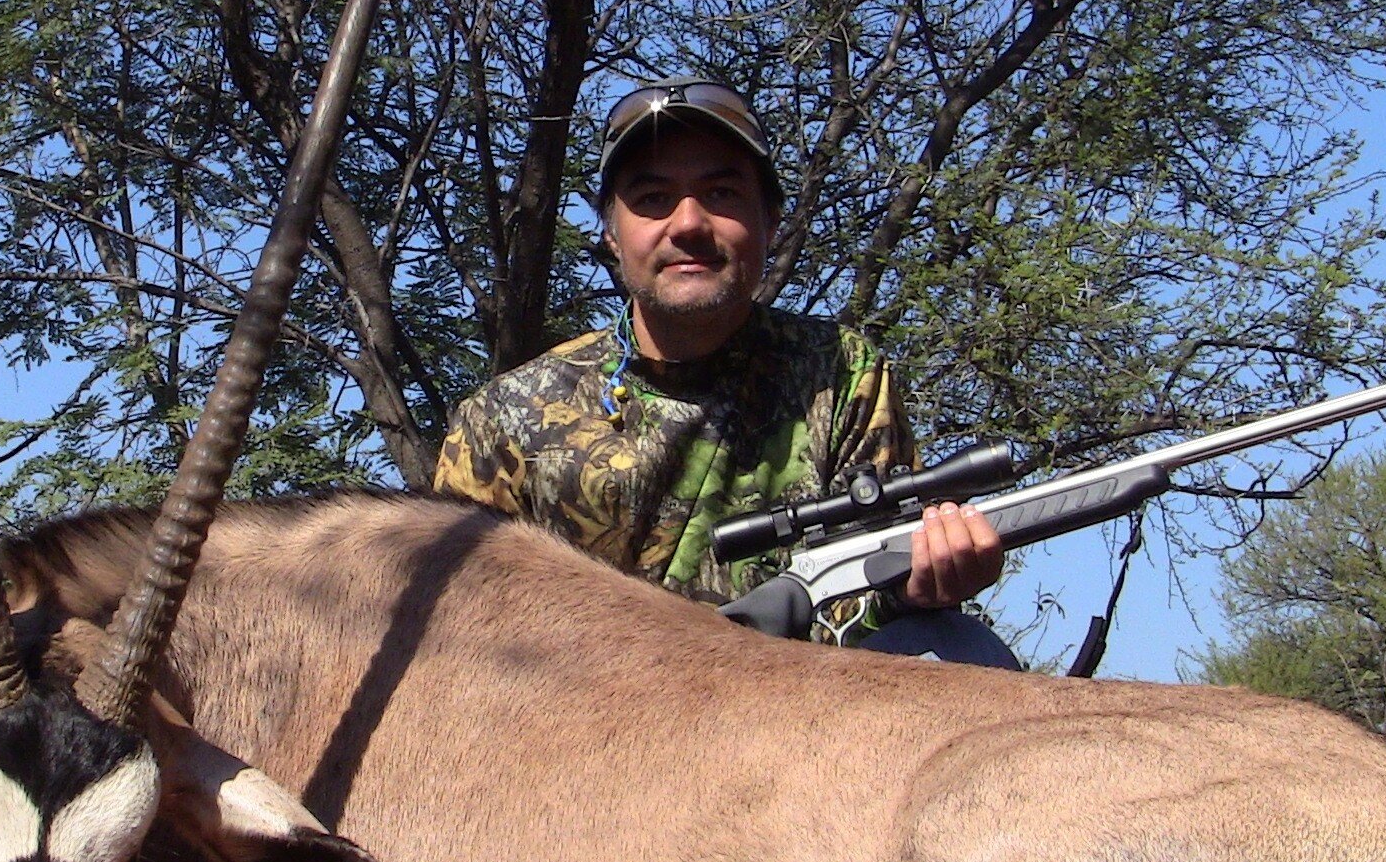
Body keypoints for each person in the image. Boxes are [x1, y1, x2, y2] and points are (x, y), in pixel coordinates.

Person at [433, 78, 1015, 661]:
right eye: (654, 198)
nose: (688, 224)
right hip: (573, 732)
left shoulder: (841, 371)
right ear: (610, 232)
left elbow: (862, 603)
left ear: (770, 219)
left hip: (793, 723)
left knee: (957, 647)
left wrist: (921, 589)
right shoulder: (504, 415)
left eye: (721, 193)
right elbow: (454, 642)